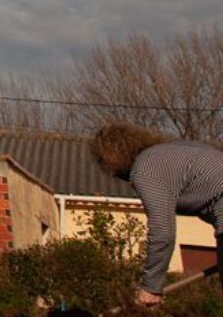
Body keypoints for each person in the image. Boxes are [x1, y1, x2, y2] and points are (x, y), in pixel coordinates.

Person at [89, 123, 223, 307]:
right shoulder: (177, 152)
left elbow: (162, 232)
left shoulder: (145, 169)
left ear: (111, 159)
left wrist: (151, 286)